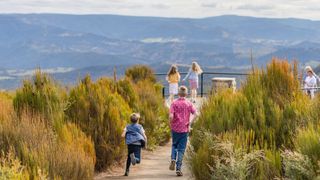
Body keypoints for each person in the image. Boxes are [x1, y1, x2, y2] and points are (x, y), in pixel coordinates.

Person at [169, 86, 197, 176]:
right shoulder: (189, 104)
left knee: (174, 144)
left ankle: (173, 158)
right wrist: (190, 123)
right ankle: (178, 168)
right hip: (184, 129)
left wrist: (171, 123)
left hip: (175, 128)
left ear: (178, 93)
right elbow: (196, 114)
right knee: (181, 149)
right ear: (187, 94)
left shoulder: (174, 103)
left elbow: (170, 116)